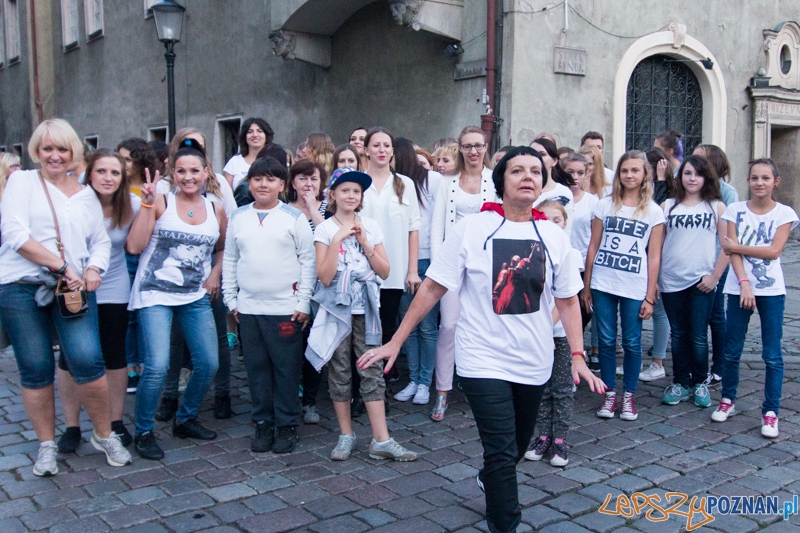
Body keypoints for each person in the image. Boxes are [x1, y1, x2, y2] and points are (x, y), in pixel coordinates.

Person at [359, 146, 604, 533]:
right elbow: (433, 287)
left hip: (533, 360)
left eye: (536, 172)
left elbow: (568, 300)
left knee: (518, 446)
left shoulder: (554, 238)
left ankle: (491, 480)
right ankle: (506, 523)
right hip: (481, 358)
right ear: (501, 181)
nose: (528, 177)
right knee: (502, 450)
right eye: (518, 171)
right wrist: (395, 340)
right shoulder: (473, 228)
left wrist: (576, 354)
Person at [0, 119, 131, 476]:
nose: (54, 156)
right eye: (47, 148)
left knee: (88, 360)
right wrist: (63, 266)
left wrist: (94, 270)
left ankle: (104, 434)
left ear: (73, 151)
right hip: (20, 286)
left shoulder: (86, 193)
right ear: (36, 151)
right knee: (35, 366)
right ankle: (46, 446)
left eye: (61, 149)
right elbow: (14, 234)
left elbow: (100, 241)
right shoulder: (22, 182)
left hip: (70, 289)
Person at [306, 167, 417, 462]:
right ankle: (346, 434)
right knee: (340, 370)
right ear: (332, 194)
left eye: (356, 191)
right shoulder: (325, 229)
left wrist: (366, 243)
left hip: (366, 311)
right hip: (336, 311)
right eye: (344, 190)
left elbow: (384, 271)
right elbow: (325, 277)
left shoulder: (371, 226)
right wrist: (337, 240)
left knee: (371, 369)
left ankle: (381, 439)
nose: (351, 195)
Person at [127, 141, 227, 460]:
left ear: (205, 173)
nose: (188, 177)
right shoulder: (160, 201)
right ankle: (143, 431)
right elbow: (134, 246)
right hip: (155, 293)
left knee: (209, 362)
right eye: (181, 171)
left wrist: (214, 274)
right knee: (157, 365)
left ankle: (185, 419)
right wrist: (145, 205)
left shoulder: (216, 208)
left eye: (194, 171)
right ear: (173, 173)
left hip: (194, 296)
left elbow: (223, 249)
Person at [223, 157, 315, 453]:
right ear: (248, 183)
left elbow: (308, 261)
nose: (263, 184)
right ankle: (263, 422)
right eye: (257, 179)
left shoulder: (293, 218)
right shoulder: (238, 217)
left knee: (286, 369)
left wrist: (303, 301)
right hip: (248, 309)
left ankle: (286, 423)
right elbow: (230, 259)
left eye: (271, 179)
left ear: (282, 185)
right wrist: (231, 299)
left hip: (285, 310)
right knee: (257, 369)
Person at [56, 149, 140, 453]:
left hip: (114, 282)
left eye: (115, 173)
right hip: (75, 282)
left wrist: (151, 202)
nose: (108, 178)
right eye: (101, 171)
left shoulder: (130, 203)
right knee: (71, 356)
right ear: (89, 174)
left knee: (115, 352)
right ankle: (72, 426)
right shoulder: (76, 201)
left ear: (122, 177)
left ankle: (115, 421)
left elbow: (136, 244)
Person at [153, 130, 235, 422]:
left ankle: (223, 393)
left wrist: (216, 273)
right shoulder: (163, 187)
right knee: (175, 340)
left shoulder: (219, 188)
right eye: (186, 144)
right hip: (173, 277)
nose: (189, 175)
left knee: (218, 339)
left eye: (198, 145)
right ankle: (169, 395)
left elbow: (227, 236)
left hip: (209, 272)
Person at [713, 159, 798, 438]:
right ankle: (728, 399)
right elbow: (731, 253)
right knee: (731, 350)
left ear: (776, 181)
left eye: (765, 178)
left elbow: (774, 251)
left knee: (772, 354)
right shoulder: (735, 211)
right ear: (748, 181)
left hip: (772, 291)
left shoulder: (784, 213)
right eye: (753, 178)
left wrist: (735, 246)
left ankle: (771, 411)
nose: (759, 183)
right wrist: (745, 283)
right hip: (740, 288)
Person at [581, 151, 665, 421]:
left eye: (635, 171)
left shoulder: (653, 211)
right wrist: (587, 285)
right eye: (625, 170)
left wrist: (650, 295)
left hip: (634, 285)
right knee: (605, 340)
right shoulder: (604, 205)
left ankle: (628, 394)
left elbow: (654, 255)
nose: (629, 175)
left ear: (644, 175)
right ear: (618, 174)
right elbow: (593, 246)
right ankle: (608, 393)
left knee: (631, 341)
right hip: (604, 282)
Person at [429, 126, 498, 421]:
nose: (473, 152)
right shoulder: (448, 182)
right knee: (448, 326)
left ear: (485, 147)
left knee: (485, 326)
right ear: (460, 148)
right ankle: (442, 391)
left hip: (486, 263)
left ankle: (481, 386)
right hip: (453, 262)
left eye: (478, 146)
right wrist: (436, 266)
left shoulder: (495, 180)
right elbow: (436, 226)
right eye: (467, 146)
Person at [659, 155, 727, 408]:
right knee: (678, 334)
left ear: (706, 177)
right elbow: (657, 245)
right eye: (687, 173)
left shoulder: (716, 207)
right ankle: (680, 382)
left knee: (698, 335)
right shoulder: (668, 206)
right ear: (680, 176)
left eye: (697, 174)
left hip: (702, 281)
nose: (692, 179)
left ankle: (700, 383)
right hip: (671, 279)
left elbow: (727, 246)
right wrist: (654, 280)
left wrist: (715, 277)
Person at [360, 127, 422, 388]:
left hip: (393, 273)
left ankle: (379, 387)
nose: (381, 150)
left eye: (386, 145)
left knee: (386, 330)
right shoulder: (357, 182)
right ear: (366, 150)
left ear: (393, 151)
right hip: (361, 271)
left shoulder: (404, 184)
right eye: (376, 145)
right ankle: (360, 387)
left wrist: (412, 270)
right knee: (362, 333)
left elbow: (413, 230)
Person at [524, 199, 580, 467]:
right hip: (535, 334)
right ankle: (542, 435)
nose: (550, 224)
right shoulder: (530, 251)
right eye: (544, 219)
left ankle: (560, 440)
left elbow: (566, 298)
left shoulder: (569, 251)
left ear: (565, 222)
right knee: (540, 388)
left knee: (561, 387)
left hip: (557, 333)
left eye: (556, 219)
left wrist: (546, 326)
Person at [394, 138, 442, 405]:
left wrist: (437, 261)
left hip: (428, 261)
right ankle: (413, 380)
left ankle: (425, 382)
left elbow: (437, 222)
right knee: (407, 325)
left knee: (427, 326)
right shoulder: (394, 183)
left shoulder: (432, 181)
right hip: (402, 261)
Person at [285, 159, 329, 423]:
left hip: (319, 288)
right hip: (289, 287)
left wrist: (312, 206)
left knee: (314, 344)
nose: (308, 184)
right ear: (292, 182)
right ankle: (290, 398)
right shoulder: (284, 210)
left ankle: (310, 401)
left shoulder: (326, 208)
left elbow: (327, 233)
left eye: (313, 179)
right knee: (291, 345)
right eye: (302, 179)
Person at [692, 144, 739, 381]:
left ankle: (719, 366)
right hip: (695, 261)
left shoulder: (727, 192)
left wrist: (716, 272)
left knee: (716, 315)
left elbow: (727, 235)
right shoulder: (692, 189)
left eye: (699, 159)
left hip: (716, 263)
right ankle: (696, 365)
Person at [634, 147, 676, 382]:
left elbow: (656, 214)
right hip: (639, 258)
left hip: (655, 257)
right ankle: (638, 361)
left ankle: (658, 361)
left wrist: (659, 182)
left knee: (658, 310)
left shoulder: (666, 191)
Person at [562, 152, 599, 370]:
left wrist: (588, 281)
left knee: (582, 313)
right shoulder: (558, 196)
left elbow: (594, 239)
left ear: (586, 175)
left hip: (583, 265)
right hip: (561, 264)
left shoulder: (593, 202)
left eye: (580, 173)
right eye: (570, 172)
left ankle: (575, 357)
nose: (575, 177)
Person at [530, 138, 575, 236]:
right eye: (532, 153)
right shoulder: (523, 189)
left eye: (542, 154)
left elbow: (566, 232)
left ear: (554, 161)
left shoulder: (563, 192)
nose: (537, 158)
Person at [223, 117, 274, 190]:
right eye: (250, 132)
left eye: (259, 131)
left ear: (266, 135)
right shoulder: (234, 162)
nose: (255, 135)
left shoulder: (274, 159)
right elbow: (227, 193)